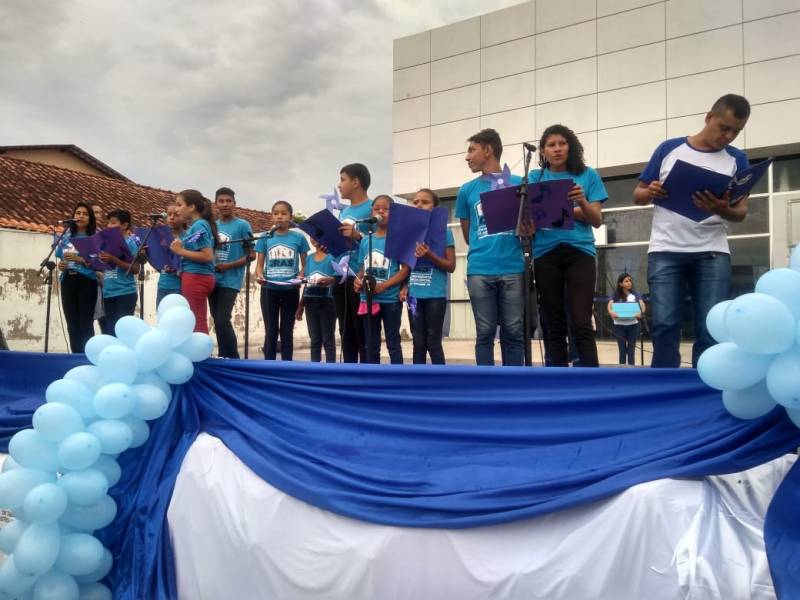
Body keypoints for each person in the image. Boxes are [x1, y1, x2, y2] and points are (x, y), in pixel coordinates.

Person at [634, 94, 751, 368]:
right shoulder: (669, 148)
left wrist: (720, 207)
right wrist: (649, 191)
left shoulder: (737, 159)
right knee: (664, 324)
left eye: (736, 131)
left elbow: (741, 212)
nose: (728, 136)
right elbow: (637, 195)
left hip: (712, 251)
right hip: (665, 250)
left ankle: (704, 388)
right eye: (724, 127)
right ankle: (663, 391)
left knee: (711, 327)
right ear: (709, 117)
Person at [530, 124, 607, 367]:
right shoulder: (534, 177)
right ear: (542, 151)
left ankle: (591, 380)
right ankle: (558, 380)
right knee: (553, 321)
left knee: (581, 320)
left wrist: (582, 202)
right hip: (545, 253)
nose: (557, 149)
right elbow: (530, 217)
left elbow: (596, 220)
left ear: (571, 147)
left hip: (580, 252)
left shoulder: (588, 174)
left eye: (562, 143)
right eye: (551, 145)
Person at [455, 128, 525, 366]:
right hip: (480, 269)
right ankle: (485, 385)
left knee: (514, 332)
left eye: (472, 150)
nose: (467, 157)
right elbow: (467, 232)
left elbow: (529, 224)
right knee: (484, 333)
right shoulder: (467, 190)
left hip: (513, 266)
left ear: (488, 150)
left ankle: (513, 387)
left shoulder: (519, 184)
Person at [400, 188, 455, 365]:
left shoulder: (445, 233)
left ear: (435, 207)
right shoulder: (410, 235)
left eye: (425, 202)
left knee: (433, 342)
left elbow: (451, 265)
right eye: (415, 202)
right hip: (414, 297)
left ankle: (440, 384)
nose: (419, 205)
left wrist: (429, 255)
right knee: (418, 342)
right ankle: (418, 384)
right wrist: (405, 286)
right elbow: (406, 266)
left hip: (435, 296)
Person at [353, 195, 410, 364]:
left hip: (390, 298)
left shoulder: (398, 238)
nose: (381, 211)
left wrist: (384, 285)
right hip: (368, 298)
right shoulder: (365, 240)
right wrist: (358, 280)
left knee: (393, 342)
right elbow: (363, 268)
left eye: (385, 208)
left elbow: (405, 269)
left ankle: (397, 379)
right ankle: (373, 379)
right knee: (371, 344)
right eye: (377, 208)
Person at [255, 201, 308, 361]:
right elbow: (259, 265)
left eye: (284, 213)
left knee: (287, 331)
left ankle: (287, 365)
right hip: (269, 289)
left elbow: (306, 265)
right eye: (276, 213)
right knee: (271, 331)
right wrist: (260, 276)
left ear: (290, 217)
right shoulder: (265, 237)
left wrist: (300, 277)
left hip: (290, 290)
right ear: (272, 217)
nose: (279, 216)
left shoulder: (299, 238)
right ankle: (269, 366)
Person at [334, 163, 373, 363]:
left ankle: (366, 374)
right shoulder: (344, 211)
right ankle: (348, 372)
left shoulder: (373, 207)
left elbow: (380, 240)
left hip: (359, 276)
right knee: (345, 329)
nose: (339, 185)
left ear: (356, 182)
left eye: (343, 179)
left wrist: (358, 236)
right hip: (340, 276)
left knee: (361, 330)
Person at [210, 187, 253, 359]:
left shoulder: (242, 225)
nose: (225, 204)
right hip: (212, 280)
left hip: (231, 280)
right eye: (221, 201)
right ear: (216, 204)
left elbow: (251, 255)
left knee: (222, 319)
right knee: (217, 320)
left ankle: (233, 358)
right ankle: (223, 356)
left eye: (229, 201)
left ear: (235, 204)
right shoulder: (212, 226)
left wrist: (228, 266)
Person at [170, 190, 218, 334]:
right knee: (197, 318)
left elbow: (207, 256)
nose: (176, 209)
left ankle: (202, 354)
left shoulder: (199, 226)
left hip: (196, 276)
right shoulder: (198, 226)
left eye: (179, 205)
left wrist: (180, 251)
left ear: (191, 207)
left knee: (196, 320)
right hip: (196, 275)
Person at [55, 202, 99, 353]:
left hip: (87, 281)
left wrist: (79, 259)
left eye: (85, 214)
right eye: (78, 213)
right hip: (68, 280)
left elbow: (99, 263)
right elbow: (62, 257)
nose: (80, 216)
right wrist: (62, 265)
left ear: (90, 218)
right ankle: (75, 357)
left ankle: (87, 356)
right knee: (71, 323)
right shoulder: (66, 237)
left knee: (85, 322)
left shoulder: (95, 238)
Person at [295, 238, 337, 363]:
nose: (314, 238)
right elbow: (307, 284)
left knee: (327, 339)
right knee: (314, 339)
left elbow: (338, 278)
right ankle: (315, 369)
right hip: (310, 302)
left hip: (327, 302)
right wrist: (301, 306)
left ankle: (331, 370)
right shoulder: (308, 259)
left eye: (317, 235)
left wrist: (329, 280)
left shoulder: (332, 257)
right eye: (311, 236)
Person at [99, 209, 140, 334]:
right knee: (110, 331)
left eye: (113, 223)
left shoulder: (131, 243)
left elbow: (135, 268)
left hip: (125, 293)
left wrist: (113, 259)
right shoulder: (105, 244)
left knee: (122, 332)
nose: (109, 226)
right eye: (108, 223)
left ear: (124, 225)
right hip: (108, 293)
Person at [607, 273, 645, 366]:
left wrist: (641, 312)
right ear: (620, 284)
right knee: (622, 351)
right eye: (626, 281)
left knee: (631, 351)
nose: (629, 283)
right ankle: (622, 371)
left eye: (630, 280)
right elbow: (609, 305)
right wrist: (610, 311)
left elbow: (642, 304)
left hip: (633, 326)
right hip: (619, 326)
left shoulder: (636, 294)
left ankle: (632, 373)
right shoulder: (615, 295)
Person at [156, 204, 185, 306]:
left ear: (183, 218)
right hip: (163, 285)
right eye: (169, 215)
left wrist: (176, 269)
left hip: (179, 287)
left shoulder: (187, 236)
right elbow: (158, 261)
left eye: (176, 215)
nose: (172, 217)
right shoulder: (162, 238)